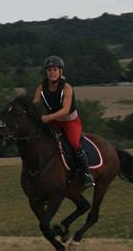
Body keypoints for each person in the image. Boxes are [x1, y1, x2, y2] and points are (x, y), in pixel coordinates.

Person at [32, 55, 95, 187]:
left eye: (55, 70)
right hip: (53, 122)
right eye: (49, 70)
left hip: (69, 122)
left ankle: (86, 173)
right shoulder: (41, 88)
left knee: (74, 142)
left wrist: (47, 118)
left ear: (60, 72)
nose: (52, 73)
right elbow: (35, 104)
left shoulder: (67, 88)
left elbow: (66, 110)